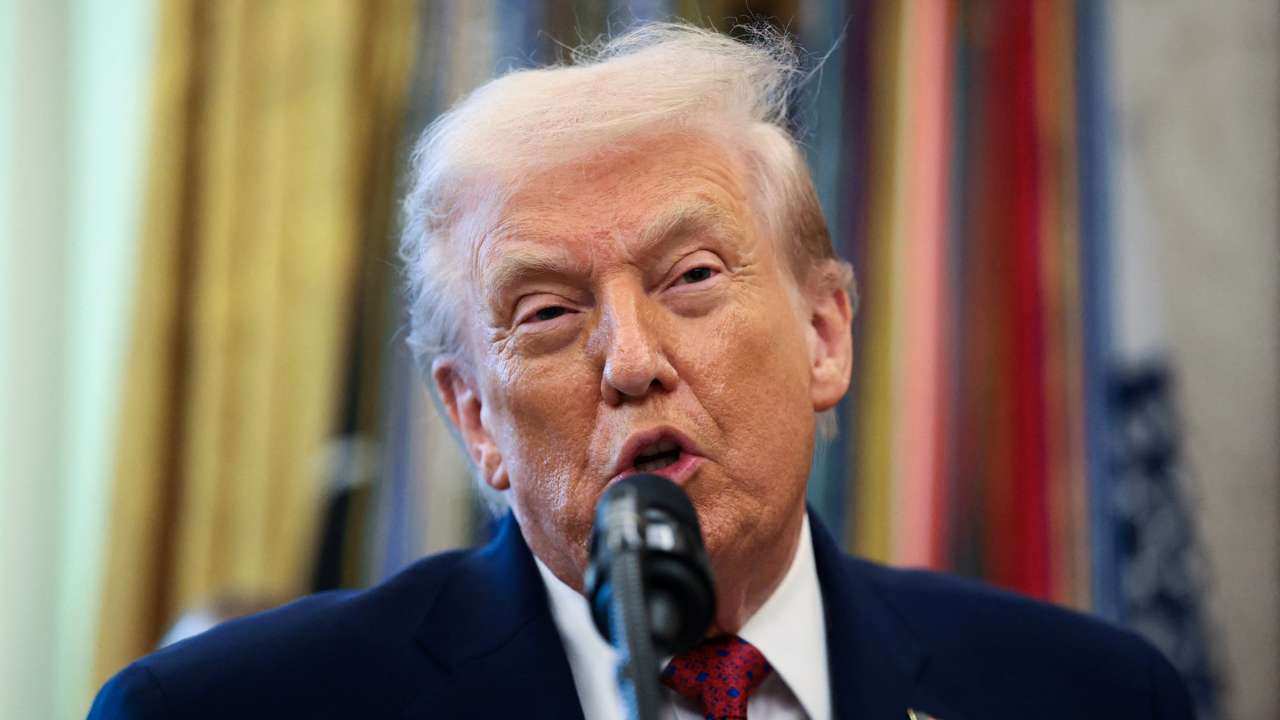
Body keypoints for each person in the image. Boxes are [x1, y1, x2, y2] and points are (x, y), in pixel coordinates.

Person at [89, 23, 1192, 720]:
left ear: (823, 334)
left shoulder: (1086, 694)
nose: (628, 360)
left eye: (692, 276)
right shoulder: (220, 710)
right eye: (549, 312)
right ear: (474, 419)